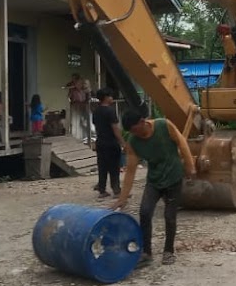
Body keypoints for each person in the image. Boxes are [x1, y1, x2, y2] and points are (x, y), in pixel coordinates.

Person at [111, 107, 196, 266]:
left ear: (143, 122)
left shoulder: (164, 125)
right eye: (132, 132)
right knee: (144, 211)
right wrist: (122, 198)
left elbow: (182, 143)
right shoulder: (133, 142)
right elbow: (130, 171)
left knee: (170, 216)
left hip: (174, 177)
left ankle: (169, 251)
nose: (136, 134)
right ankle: (146, 252)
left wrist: (190, 167)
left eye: (137, 130)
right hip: (154, 180)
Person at [91, 87, 124, 198]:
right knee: (114, 167)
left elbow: (96, 127)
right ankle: (116, 190)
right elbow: (115, 128)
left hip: (100, 142)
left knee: (102, 166)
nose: (112, 98)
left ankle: (102, 190)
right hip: (111, 142)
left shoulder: (96, 111)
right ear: (106, 98)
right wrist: (123, 142)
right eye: (110, 96)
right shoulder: (110, 111)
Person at [66, 74, 91, 143]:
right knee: (76, 123)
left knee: (85, 122)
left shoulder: (85, 90)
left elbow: (88, 98)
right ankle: (77, 138)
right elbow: (69, 96)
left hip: (84, 108)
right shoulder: (73, 90)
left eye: (77, 81)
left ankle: (87, 137)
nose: (77, 84)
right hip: (75, 108)